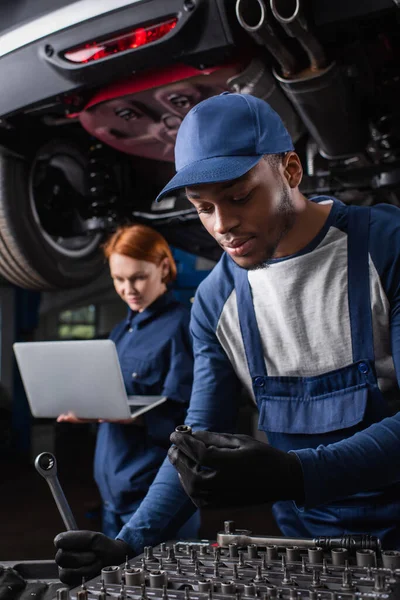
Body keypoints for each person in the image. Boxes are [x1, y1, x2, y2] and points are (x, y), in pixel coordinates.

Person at [54, 92, 400, 584]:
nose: (223, 226)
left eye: (239, 198)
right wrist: (128, 542)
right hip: (308, 550)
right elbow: (193, 440)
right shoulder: (217, 301)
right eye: (203, 208)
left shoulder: (386, 249)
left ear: (290, 170)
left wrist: (296, 474)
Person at [57, 224, 199, 541]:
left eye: (137, 277)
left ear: (163, 267)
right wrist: (87, 409)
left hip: (155, 493)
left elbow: (191, 419)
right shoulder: (121, 332)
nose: (128, 289)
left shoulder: (182, 328)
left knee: (161, 585)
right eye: (119, 279)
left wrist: (133, 417)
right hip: (112, 491)